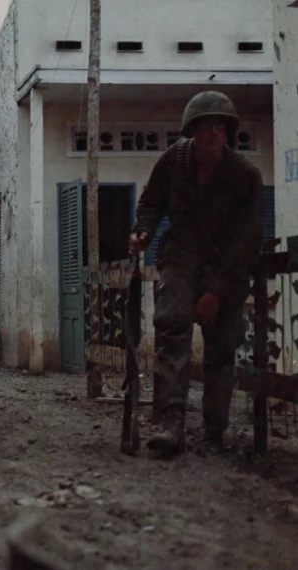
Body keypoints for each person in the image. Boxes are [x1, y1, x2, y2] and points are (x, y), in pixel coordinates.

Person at [129, 90, 263, 456]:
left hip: (226, 267)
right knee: (171, 327)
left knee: (222, 347)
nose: (212, 134)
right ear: (192, 131)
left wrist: (216, 292)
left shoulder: (245, 176)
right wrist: (143, 229)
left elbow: (247, 241)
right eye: (204, 127)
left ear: (228, 132)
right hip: (180, 258)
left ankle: (215, 430)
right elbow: (150, 203)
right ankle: (170, 421)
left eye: (219, 127)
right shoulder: (173, 162)